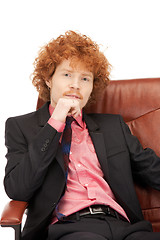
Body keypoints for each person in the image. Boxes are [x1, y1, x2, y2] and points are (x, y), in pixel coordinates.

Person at [4, 31, 160, 240]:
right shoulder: (21, 126)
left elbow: (151, 168)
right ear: (49, 79)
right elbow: (18, 189)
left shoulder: (113, 126)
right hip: (71, 228)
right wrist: (55, 123)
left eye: (85, 78)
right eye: (67, 75)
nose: (76, 85)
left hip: (126, 227)